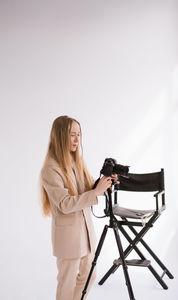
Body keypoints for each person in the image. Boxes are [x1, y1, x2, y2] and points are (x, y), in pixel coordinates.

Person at [40, 115, 116, 300]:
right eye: (72, 135)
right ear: (59, 136)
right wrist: (96, 192)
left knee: (89, 276)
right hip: (68, 238)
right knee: (66, 283)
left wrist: (104, 183)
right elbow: (65, 204)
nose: (76, 140)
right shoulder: (51, 169)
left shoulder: (76, 161)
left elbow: (88, 185)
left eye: (79, 135)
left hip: (86, 233)